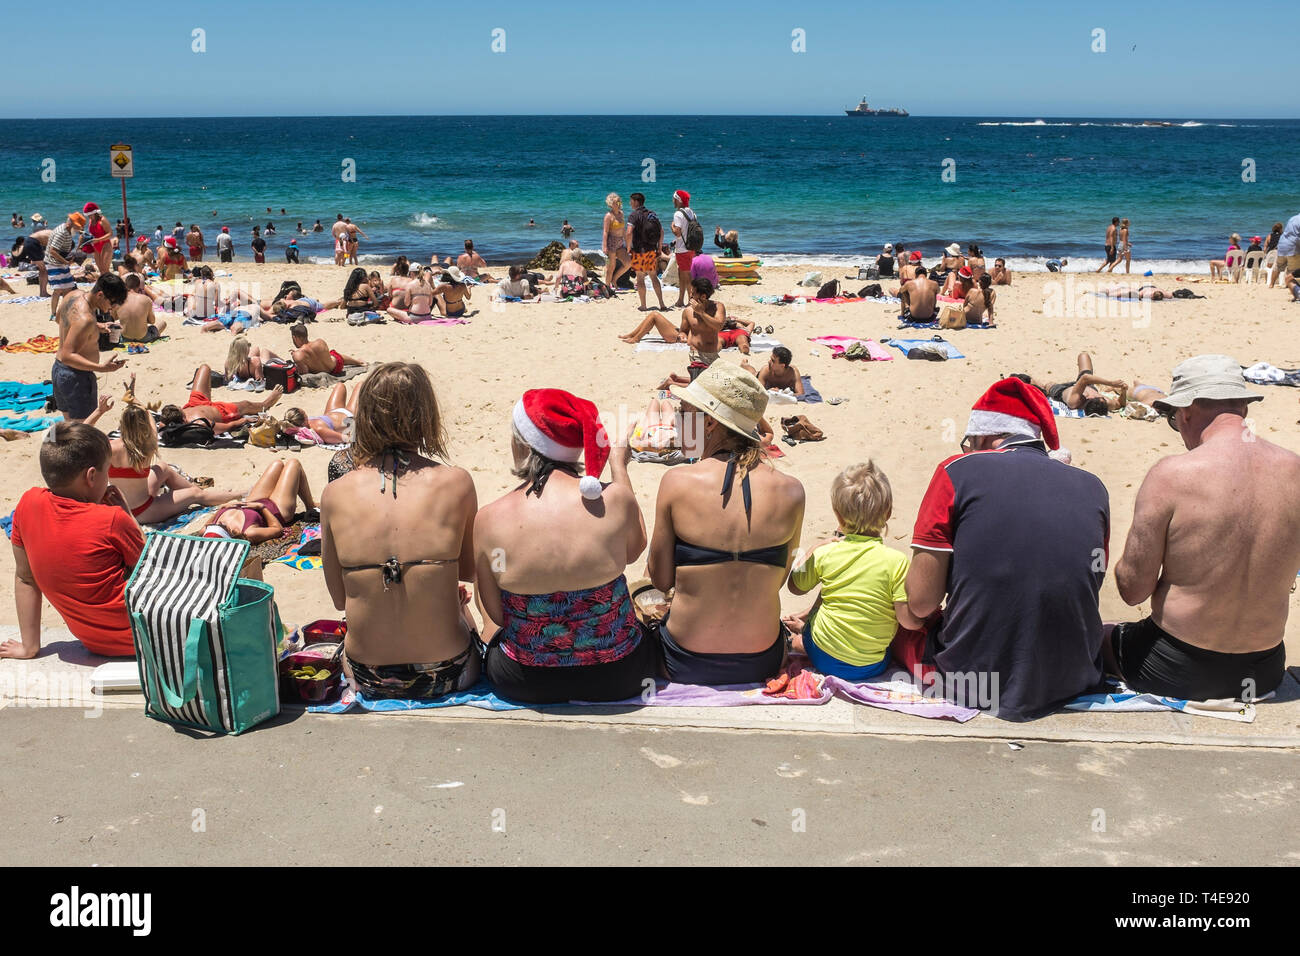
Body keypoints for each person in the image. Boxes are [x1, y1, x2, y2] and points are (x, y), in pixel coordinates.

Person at [901, 378, 1110, 719]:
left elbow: (922, 602)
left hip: (972, 681)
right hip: (1071, 677)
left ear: (983, 436)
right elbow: (1087, 582)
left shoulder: (955, 471)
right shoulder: (1094, 487)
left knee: (899, 624)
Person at [1108, 355, 1299, 701]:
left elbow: (1133, 590)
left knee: (1098, 635)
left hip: (1174, 666)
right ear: (1242, 408)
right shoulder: (1296, 471)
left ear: (1186, 412)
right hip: (1265, 669)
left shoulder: (1171, 475)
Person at [475, 389, 656, 702]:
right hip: (620, 675)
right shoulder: (613, 501)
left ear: (522, 444)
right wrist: (619, 464)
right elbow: (633, 549)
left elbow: (497, 614)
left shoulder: (491, 520)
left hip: (524, 680)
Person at [321, 362, 481, 700]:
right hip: (449, 672)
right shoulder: (458, 482)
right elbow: (469, 571)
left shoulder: (335, 493)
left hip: (368, 676)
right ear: (426, 416)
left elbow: (339, 599)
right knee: (461, 603)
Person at [647, 363, 805, 685]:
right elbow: (776, 581)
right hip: (762, 660)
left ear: (709, 424)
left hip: (683, 660)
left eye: (684, 410)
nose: (677, 419)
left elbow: (661, 580)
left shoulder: (676, 483)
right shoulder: (792, 491)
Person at [4, 423, 144, 660]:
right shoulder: (112, 519)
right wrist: (128, 515)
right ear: (91, 476)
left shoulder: (27, 505)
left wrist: (29, 647)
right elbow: (153, 570)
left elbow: (25, 578)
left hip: (94, 642)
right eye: (106, 471)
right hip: (143, 638)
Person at [784, 462, 924, 679]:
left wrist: (812, 550)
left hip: (822, 654)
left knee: (837, 586)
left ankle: (798, 641)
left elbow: (795, 587)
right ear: (887, 513)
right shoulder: (897, 562)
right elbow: (907, 621)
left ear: (838, 518)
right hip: (871, 665)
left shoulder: (827, 553)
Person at [109, 402, 235, 523]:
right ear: (144, 425)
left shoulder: (109, 447)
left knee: (162, 467)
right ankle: (236, 494)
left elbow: (88, 435)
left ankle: (202, 492)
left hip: (120, 507)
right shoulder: (148, 445)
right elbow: (152, 423)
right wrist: (141, 406)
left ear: (122, 424)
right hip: (143, 511)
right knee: (195, 494)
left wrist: (99, 412)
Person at [52, 275, 128, 422]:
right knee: (83, 432)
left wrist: (97, 326)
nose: (111, 309)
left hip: (59, 370)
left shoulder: (73, 295)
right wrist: (102, 368)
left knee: (72, 428)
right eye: (111, 304)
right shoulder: (85, 319)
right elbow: (69, 355)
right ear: (100, 295)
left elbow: (60, 319)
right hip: (76, 376)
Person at [199, 460, 317, 543]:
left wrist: (222, 508)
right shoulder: (249, 533)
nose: (219, 523)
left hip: (251, 502)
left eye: (216, 524)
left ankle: (310, 503)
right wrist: (261, 508)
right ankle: (310, 505)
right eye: (221, 527)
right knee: (293, 464)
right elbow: (277, 529)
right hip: (276, 510)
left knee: (277, 464)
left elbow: (203, 529)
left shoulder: (206, 530)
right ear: (228, 534)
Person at [160, 364, 283, 435]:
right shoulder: (200, 424)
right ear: (183, 419)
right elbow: (228, 426)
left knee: (204, 368)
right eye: (180, 410)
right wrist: (243, 420)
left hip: (194, 403)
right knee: (246, 404)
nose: (180, 407)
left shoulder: (167, 420)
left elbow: (161, 425)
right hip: (221, 412)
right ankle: (266, 403)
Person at [1036, 352, 1129, 415]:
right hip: (1087, 385)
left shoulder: (1074, 401)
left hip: (1063, 390)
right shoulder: (1105, 403)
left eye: (1097, 396)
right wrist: (1123, 391)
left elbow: (1085, 378)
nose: (1099, 395)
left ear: (1090, 399)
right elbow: (1120, 403)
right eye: (1100, 396)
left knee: (1047, 386)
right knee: (1084, 356)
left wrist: (1111, 383)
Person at [282, 381, 361, 445]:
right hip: (349, 415)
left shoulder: (300, 423)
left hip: (331, 412)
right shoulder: (320, 429)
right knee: (360, 385)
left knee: (340, 385)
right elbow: (347, 439)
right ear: (302, 414)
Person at [627, 192, 667, 311]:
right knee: (653, 277)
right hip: (651, 249)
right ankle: (662, 304)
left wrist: (628, 247)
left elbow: (629, 232)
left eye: (631, 201)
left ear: (635, 202)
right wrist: (659, 248)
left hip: (639, 250)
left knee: (640, 278)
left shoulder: (634, 215)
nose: (630, 203)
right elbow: (662, 231)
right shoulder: (652, 214)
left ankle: (644, 305)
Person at [45, 211, 86, 320]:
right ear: (72, 224)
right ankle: (53, 314)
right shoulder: (62, 232)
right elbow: (52, 251)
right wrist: (66, 262)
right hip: (54, 263)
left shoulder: (67, 231)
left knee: (68, 288)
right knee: (58, 289)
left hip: (60, 262)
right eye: (78, 227)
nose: (78, 230)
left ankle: (64, 312)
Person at [289, 324, 362, 376]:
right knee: (333, 354)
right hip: (337, 367)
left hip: (320, 372)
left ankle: (359, 362)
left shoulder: (297, 355)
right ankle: (359, 362)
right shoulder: (320, 342)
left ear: (295, 338)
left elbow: (304, 373)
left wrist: (297, 359)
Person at [117, 275, 167, 342]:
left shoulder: (120, 299)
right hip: (144, 338)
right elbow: (152, 321)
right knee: (163, 323)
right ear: (138, 286)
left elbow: (114, 317)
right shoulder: (146, 299)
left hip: (125, 338)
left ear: (126, 286)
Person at [670, 190, 698, 308]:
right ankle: (681, 300)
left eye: (674, 199)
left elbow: (677, 233)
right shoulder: (692, 212)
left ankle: (691, 300)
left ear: (678, 200)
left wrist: (672, 225)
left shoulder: (678, 214)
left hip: (682, 248)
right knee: (682, 274)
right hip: (691, 247)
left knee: (686, 275)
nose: (673, 201)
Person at [602, 193, 632, 288]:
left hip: (620, 243)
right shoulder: (608, 216)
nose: (618, 204)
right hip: (611, 243)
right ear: (611, 204)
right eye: (615, 203)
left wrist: (628, 244)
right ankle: (607, 287)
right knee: (611, 267)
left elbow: (623, 230)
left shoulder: (621, 214)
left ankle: (614, 279)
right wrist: (604, 246)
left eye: (618, 202)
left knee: (628, 263)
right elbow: (605, 232)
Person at [10, 230, 50, 296]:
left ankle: (42, 292)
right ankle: (43, 292)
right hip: (23, 263)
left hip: (15, 264)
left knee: (42, 269)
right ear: (22, 241)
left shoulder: (13, 247)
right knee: (43, 269)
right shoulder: (23, 247)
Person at [81, 203, 115, 276]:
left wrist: (99, 239)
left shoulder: (102, 220)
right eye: (87, 215)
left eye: (90, 215)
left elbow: (110, 233)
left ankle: (109, 286)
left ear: (95, 213)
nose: (89, 217)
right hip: (96, 246)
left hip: (105, 245)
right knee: (101, 270)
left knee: (105, 270)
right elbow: (93, 233)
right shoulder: (91, 221)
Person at [1267, 213, 1300, 288]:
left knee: (1277, 267)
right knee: (1293, 270)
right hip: (1293, 247)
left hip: (1282, 244)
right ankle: (1291, 286)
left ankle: (1271, 284)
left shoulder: (1292, 218)